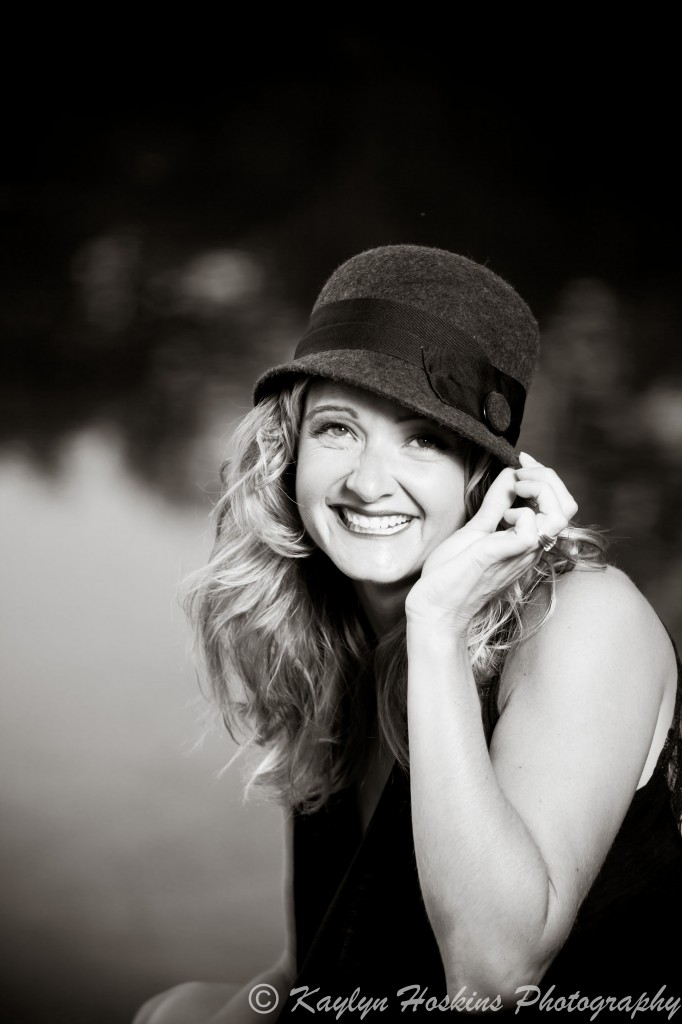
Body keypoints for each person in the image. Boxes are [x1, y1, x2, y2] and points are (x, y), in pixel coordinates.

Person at [133, 246, 682, 1023]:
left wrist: (436, 630)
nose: (366, 481)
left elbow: (492, 977)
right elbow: (323, 964)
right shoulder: (334, 638)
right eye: (337, 429)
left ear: (484, 479)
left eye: (423, 438)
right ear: (289, 455)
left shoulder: (588, 620)